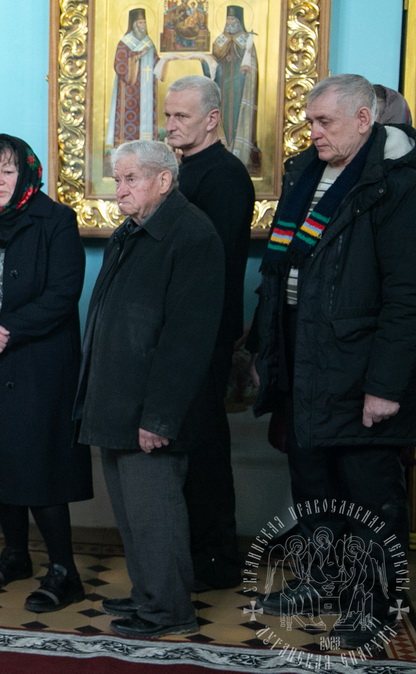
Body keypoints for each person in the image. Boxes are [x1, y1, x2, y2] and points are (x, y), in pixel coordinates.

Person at [249, 73, 416, 649]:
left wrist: (385, 385)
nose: (314, 132)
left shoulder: (397, 181)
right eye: (310, 121)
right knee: (313, 479)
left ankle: (376, 603)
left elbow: (406, 297)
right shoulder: (304, 172)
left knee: (368, 491)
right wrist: (267, 352)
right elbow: (276, 276)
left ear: (364, 120)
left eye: (325, 122)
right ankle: (321, 582)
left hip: (361, 361)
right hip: (302, 350)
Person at [75, 139, 223, 639]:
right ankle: (148, 596)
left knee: (156, 513)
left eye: (130, 179)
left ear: (163, 180)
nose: (120, 189)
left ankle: (168, 610)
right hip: (116, 401)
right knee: (134, 514)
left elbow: (186, 342)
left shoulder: (192, 235)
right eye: (117, 180)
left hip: (149, 411)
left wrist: (158, 418)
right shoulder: (133, 230)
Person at [0, 134, 92, 611]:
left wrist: (1, 335)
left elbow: (62, 294)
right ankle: (15, 554)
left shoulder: (57, 220)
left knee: (39, 466)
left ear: (26, 173)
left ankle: (64, 570)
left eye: (7, 172)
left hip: (37, 363)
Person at [163, 75, 254, 591]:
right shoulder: (183, 168)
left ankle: (215, 560)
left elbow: (205, 263)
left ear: (213, 119)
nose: (171, 124)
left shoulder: (225, 175)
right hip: (180, 332)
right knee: (182, 448)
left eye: (182, 116)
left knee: (204, 449)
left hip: (203, 333)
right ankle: (186, 558)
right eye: (168, 115)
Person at [212, 5, 259, 166]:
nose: (230, 22)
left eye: (233, 19)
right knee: (222, 114)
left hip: (240, 87)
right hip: (222, 87)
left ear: (239, 22)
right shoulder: (220, 40)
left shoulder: (246, 40)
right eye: (228, 19)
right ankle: (222, 147)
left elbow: (251, 64)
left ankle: (238, 148)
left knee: (238, 115)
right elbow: (213, 61)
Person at [108, 8, 159, 148]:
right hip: (129, 89)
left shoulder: (149, 43)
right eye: (140, 23)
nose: (143, 26)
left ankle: (148, 144)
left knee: (147, 113)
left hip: (147, 88)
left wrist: (164, 62)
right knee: (128, 115)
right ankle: (124, 144)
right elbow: (119, 64)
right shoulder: (125, 42)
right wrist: (137, 57)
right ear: (134, 24)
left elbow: (156, 62)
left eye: (144, 23)